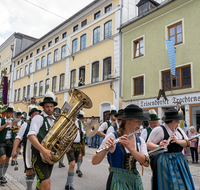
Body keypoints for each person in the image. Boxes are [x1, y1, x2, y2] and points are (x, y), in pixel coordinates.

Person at [92, 104, 149, 190]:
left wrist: (130, 148)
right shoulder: (113, 136)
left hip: (134, 180)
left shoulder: (140, 140)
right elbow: (94, 161)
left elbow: (146, 163)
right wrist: (106, 149)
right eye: (138, 121)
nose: (141, 124)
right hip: (117, 180)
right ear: (128, 120)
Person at [147, 108, 195, 190]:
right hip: (165, 161)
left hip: (179, 160)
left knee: (183, 184)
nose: (178, 123)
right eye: (177, 121)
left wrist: (178, 141)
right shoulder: (159, 130)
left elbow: (188, 143)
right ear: (171, 121)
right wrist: (159, 146)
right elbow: (148, 144)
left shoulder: (179, 130)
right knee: (168, 185)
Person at [28, 91, 59, 190]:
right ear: (43, 107)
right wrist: (43, 150)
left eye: (51, 106)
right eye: (47, 106)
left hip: (49, 155)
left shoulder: (55, 120)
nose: (49, 109)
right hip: (38, 155)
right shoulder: (38, 118)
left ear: (53, 107)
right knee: (46, 184)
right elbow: (31, 136)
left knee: (42, 184)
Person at [12, 106, 41, 190]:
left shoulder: (41, 125)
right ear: (31, 115)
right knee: (29, 170)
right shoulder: (25, 125)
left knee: (38, 170)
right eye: (35, 114)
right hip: (28, 151)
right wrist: (14, 150)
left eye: (38, 114)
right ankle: (29, 188)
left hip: (39, 150)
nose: (37, 115)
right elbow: (18, 137)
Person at [65, 113, 85, 190]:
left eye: (76, 113)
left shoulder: (79, 122)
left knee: (72, 165)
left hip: (78, 145)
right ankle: (71, 186)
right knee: (72, 164)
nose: (75, 115)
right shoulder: (67, 121)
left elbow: (82, 132)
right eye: (74, 113)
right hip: (70, 145)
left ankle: (67, 184)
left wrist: (88, 132)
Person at [0, 107, 16, 184]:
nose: (10, 115)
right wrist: (5, 124)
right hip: (2, 141)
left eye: (11, 113)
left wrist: (15, 126)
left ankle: (2, 175)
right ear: (6, 113)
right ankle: (0, 176)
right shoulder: (1, 120)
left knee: (7, 159)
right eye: (9, 113)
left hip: (10, 141)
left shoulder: (13, 121)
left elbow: (16, 130)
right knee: (2, 158)